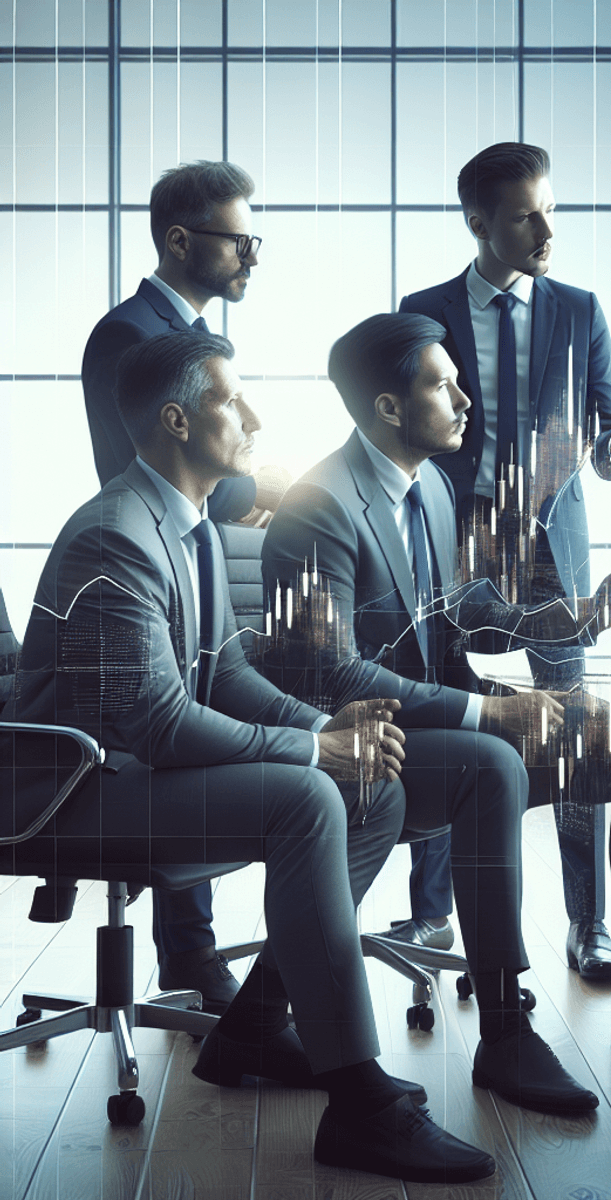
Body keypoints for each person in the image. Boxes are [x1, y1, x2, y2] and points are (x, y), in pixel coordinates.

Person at [13, 331, 495, 1183]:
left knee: (370, 791)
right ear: (175, 420)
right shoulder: (115, 536)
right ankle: (360, 1102)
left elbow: (224, 673)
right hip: (73, 788)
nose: (255, 416)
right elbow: (158, 724)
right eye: (231, 400)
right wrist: (318, 746)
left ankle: (257, 1025)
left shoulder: (190, 523)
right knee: (310, 796)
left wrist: (336, 738)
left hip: (132, 772)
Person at [260, 314, 611, 1118]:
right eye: (439, 383)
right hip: (365, 745)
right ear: (389, 408)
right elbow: (328, 671)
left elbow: (466, 616)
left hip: (437, 717)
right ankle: (503, 1032)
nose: (465, 397)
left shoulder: (426, 483)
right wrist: (490, 714)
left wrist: (585, 617)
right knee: (492, 763)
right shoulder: (317, 507)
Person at [397, 142, 611, 981]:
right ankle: (433, 914)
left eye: (551, 209)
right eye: (526, 215)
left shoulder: (580, 309)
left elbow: (606, 440)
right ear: (480, 223)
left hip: (552, 545)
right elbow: (411, 424)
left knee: (572, 728)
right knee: (452, 713)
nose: (547, 228)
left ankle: (588, 925)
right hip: (458, 536)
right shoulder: (425, 309)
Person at [80, 160, 289, 1013]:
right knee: (184, 722)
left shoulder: (188, 332)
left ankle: (193, 954)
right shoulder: (131, 336)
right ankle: (191, 956)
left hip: (197, 551)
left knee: (225, 697)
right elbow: (146, 473)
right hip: (156, 558)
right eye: (240, 239)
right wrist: (258, 490)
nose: (252, 256)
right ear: (180, 239)